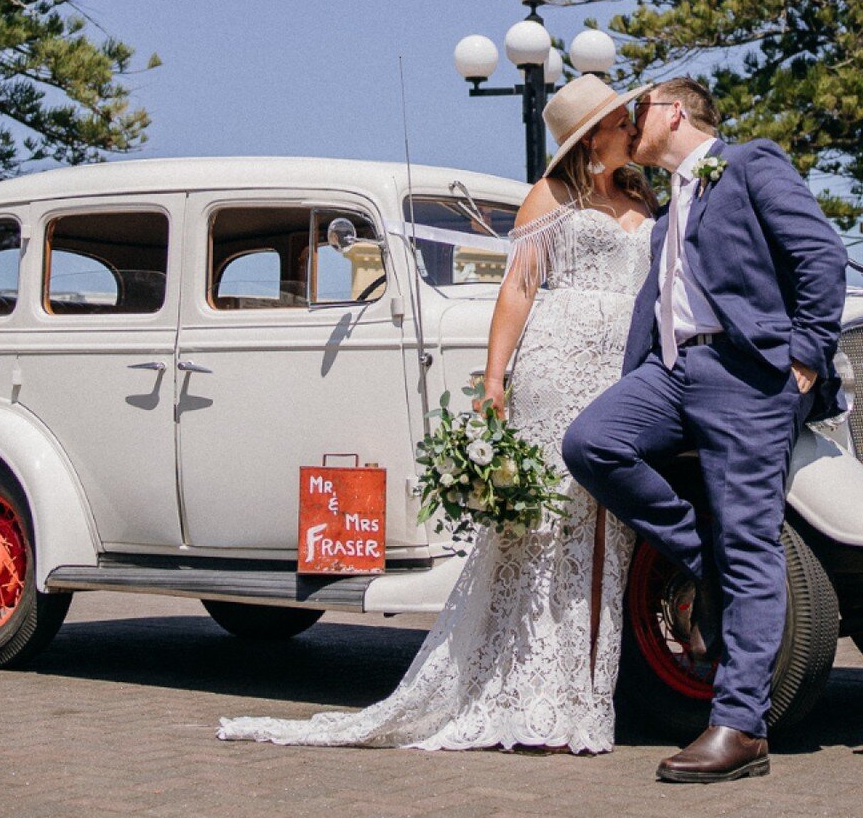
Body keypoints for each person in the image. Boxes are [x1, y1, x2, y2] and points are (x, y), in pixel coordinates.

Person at [217, 73, 657, 752]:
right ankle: (535, 695)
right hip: (559, 361)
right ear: (592, 136)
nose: (634, 127)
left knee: (609, 532)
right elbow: (518, 286)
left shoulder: (638, 193)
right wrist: (493, 376)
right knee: (550, 529)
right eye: (622, 120)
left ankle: (590, 692)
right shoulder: (551, 197)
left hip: (625, 366)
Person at [562, 76, 847, 783]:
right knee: (591, 443)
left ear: (675, 113)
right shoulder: (667, 211)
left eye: (639, 112)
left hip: (745, 376)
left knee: (750, 540)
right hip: (669, 374)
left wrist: (806, 357)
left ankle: (740, 727)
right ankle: (705, 557)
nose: (631, 125)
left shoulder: (749, 163)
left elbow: (821, 254)